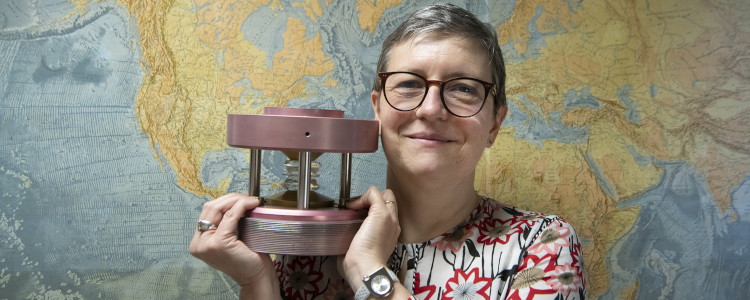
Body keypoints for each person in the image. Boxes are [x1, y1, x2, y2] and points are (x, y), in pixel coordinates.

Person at [190, 4, 586, 300]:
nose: (431, 109)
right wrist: (258, 281)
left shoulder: (539, 246)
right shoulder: (313, 247)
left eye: (463, 88)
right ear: (378, 109)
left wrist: (369, 272)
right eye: (409, 85)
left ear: (495, 123)